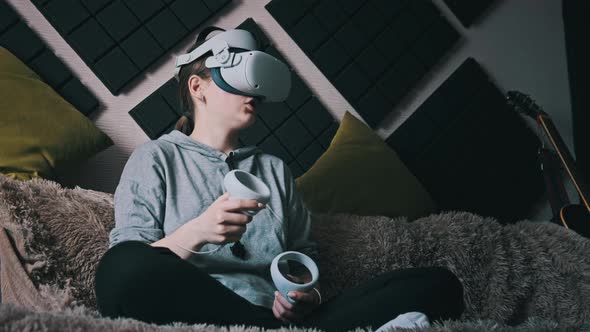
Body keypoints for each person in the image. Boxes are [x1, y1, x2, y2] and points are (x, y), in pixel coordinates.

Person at [94, 27, 465, 332]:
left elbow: (304, 263)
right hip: (198, 312)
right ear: (198, 87)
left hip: (279, 321)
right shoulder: (156, 157)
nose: (252, 90)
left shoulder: (273, 169)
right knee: (118, 268)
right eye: (236, 75)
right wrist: (198, 231)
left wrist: (303, 298)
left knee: (438, 285)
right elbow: (131, 261)